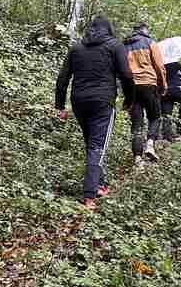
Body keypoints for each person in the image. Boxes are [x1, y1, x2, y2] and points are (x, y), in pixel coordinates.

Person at [55, 15, 135, 206]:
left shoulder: (76, 48)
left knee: (92, 143)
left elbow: (62, 78)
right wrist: (129, 100)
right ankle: (90, 194)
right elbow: (126, 74)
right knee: (97, 146)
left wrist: (60, 105)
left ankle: (100, 184)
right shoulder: (115, 46)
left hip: (79, 102)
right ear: (109, 29)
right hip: (102, 102)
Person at [123, 21, 167, 165]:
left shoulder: (124, 45)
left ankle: (137, 159)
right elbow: (159, 66)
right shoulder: (150, 42)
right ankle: (150, 143)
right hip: (149, 84)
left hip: (131, 87)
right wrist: (163, 85)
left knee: (136, 124)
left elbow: (121, 69)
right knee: (155, 117)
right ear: (144, 30)